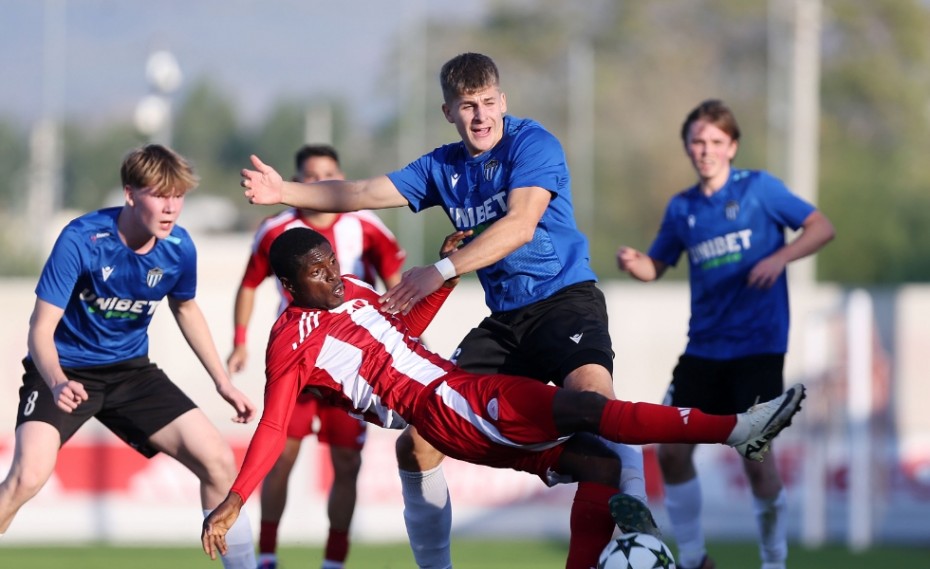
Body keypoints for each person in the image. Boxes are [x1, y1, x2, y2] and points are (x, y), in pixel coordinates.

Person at [240, 52, 651, 568]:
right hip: (505, 321)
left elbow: (521, 225)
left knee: (594, 403)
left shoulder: (533, 144)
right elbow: (365, 191)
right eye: (467, 107)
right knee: (417, 445)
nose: (480, 117)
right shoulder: (443, 167)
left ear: (502, 101)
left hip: (564, 301)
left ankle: (639, 517)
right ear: (448, 113)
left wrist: (441, 270)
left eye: (487, 104)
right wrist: (286, 191)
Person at [200, 227, 807, 569]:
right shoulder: (291, 338)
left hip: (456, 399)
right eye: (316, 271)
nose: (331, 274)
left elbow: (402, 333)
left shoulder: (353, 289)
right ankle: (735, 429)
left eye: (330, 261)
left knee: (599, 464)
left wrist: (448, 269)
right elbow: (275, 426)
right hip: (446, 402)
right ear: (288, 285)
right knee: (588, 412)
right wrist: (233, 501)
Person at [0, 144, 259, 568]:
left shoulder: (179, 247)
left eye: (178, 196)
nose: (171, 207)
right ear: (130, 194)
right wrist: (56, 380)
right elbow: (39, 331)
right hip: (64, 371)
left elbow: (185, 308)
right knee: (26, 478)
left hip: (130, 373)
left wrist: (222, 382)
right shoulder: (81, 239)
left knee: (217, 460)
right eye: (160, 194)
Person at [616, 99, 835, 569]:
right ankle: (695, 560)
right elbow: (657, 265)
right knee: (671, 455)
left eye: (716, 141)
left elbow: (821, 227)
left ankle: (773, 561)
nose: (706, 149)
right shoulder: (683, 208)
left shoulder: (759, 190)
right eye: (697, 141)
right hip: (703, 352)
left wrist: (780, 258)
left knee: (755, 459)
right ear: (687, 147)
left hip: (757, 350)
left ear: (732, 146)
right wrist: (638, 265)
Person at [228, 144, 405, 569]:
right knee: (282, 453)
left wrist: (399, 338)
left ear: (340, 176)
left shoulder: (367, 225)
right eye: (310, 176)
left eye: (328, 173)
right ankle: (268, 555)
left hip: (351, 365)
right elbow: (249, 283)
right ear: (297, 181)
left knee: (346, 462)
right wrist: (240, 340)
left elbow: (397, 284)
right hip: (299, 358)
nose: (319, 182)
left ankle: (334, 562)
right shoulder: (276, 230)